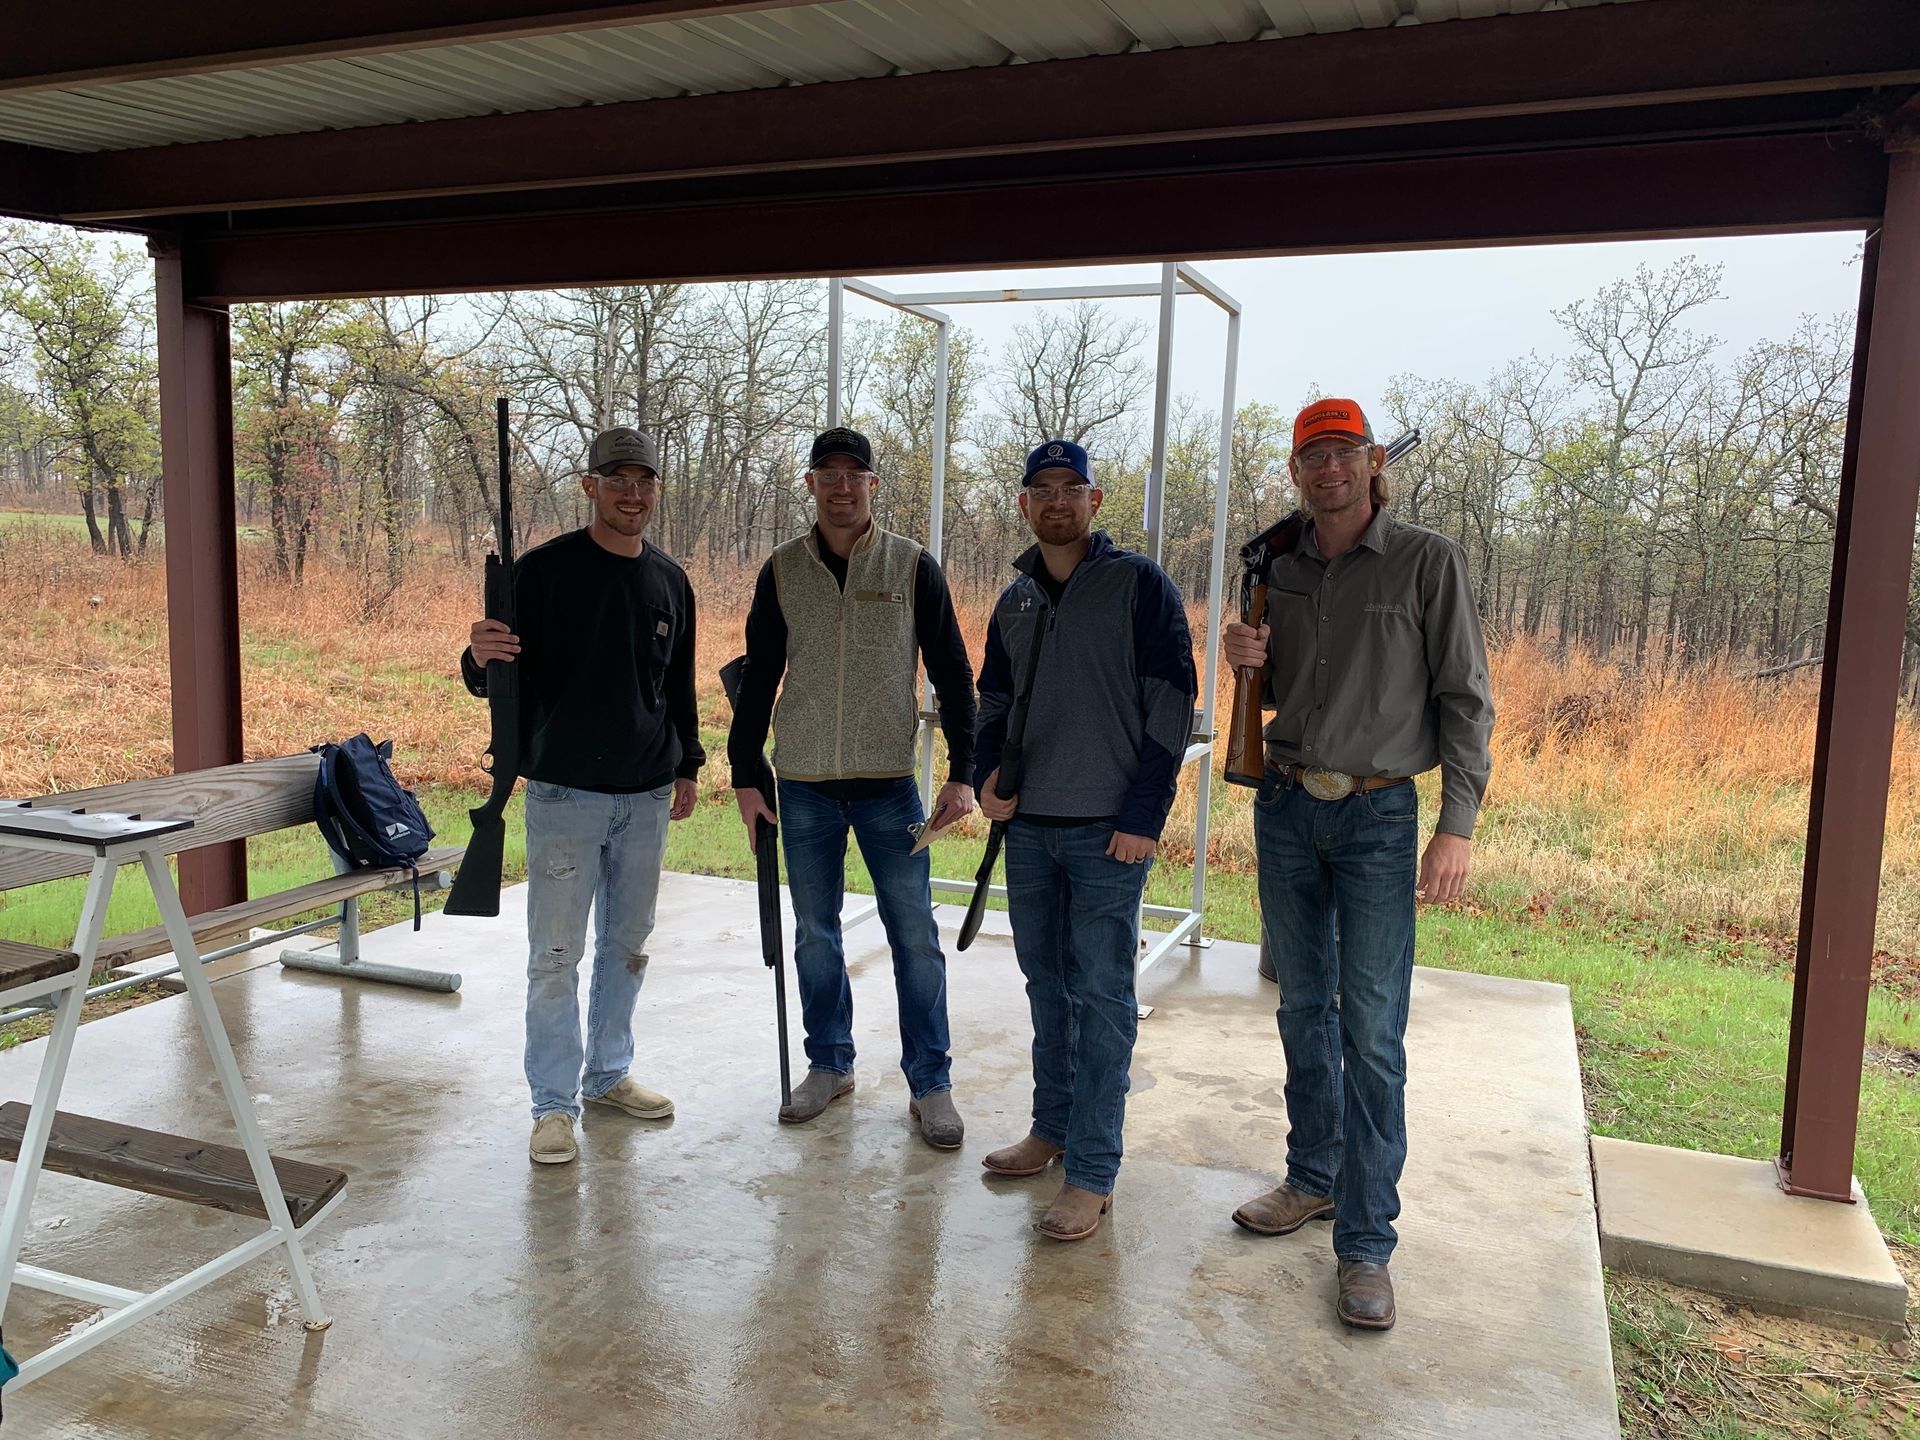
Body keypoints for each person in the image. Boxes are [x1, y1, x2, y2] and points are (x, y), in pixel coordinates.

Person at [1221, 397, 1494, 1329]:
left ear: (1374, 463)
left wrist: (1456, 825)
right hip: (1289, 806)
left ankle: (1367, 1243)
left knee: (1372, 1033)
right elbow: (1270, 685)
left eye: (1345, 452)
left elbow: (1466, 700)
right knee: (1303, 1006)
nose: (1328, 469)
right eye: (1312, 455)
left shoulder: (1429, 562)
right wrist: (1242, 655)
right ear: (1295, 469)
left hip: (1380, 820)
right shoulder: (1276, 563)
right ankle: (1311, 1178)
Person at [726, 426, 978, 1147]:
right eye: (827, 475)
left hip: (888, 788)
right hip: (800, 785)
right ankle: (829, 1065)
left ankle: (931, 1083)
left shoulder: (911, 566)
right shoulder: (781, 570)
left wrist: (963, 773)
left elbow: (956, 675)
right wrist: (747, 775)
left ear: (874, 484)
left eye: (854, 475)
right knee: (814, 935)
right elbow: (757, 679)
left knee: (915, 941)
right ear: (809, 485)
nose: (841, 488)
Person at [462, 425, 704, 1167]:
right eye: (618, 479)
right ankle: (551, 1106)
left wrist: (688, 763)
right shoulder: (542, 574)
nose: (633, 493)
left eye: (645, 480)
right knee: (556, 956)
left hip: (647, 796)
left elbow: (680, 688)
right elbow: (492, 677)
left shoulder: (671, 581)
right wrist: (477, 656)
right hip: (565, 795)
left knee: (627, 948)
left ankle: (608, 1076)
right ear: (590, 485)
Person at [974, 439, 1197, 1242]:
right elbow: (992, 698)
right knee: (1045, 984)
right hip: (1031, 830)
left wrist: (1144, 815)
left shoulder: (1139, 587)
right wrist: (986, 774)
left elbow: (1172, 703)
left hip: (1109, 833)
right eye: (1043, 490)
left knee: (1103, 999)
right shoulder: (1016, 600)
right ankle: (1051, 1127)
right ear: (1025, 505)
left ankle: (1094, 1171)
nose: (1058, 501)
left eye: (1073, 488)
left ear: (1096, 502)